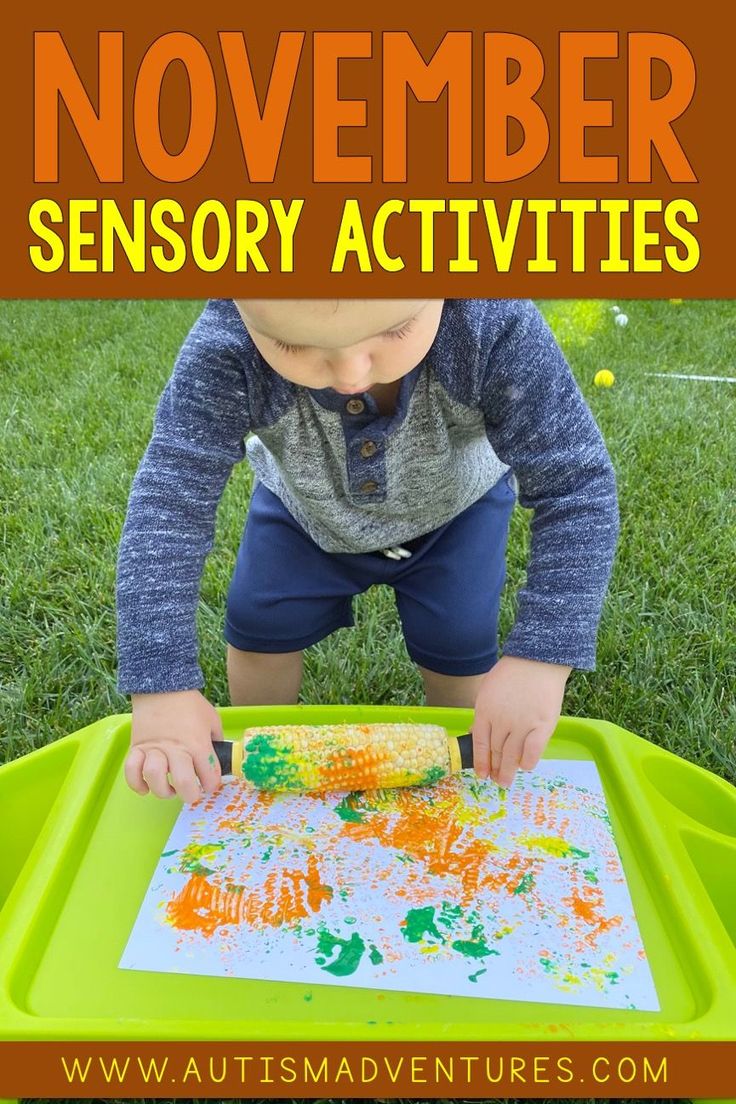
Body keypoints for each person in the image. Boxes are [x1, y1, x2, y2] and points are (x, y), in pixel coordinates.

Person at [117, 298, 619, 803]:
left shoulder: (490, 323)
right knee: (258, 628)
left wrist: (540, 660)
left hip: (456, 513)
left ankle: (458, 768)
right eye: (293, 344)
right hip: (304, 514)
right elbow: (168, 503)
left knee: (459, 645)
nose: (351, 375)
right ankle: (256, 770)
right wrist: (161, 686)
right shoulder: (227, 348)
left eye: (397, 330)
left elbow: (576, 484)